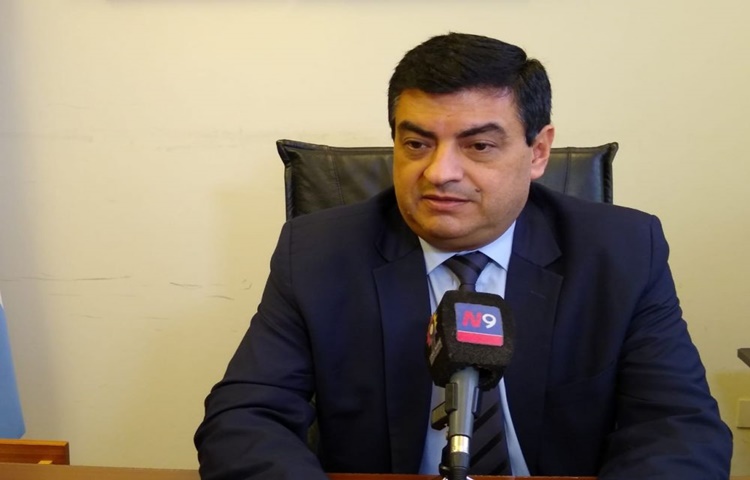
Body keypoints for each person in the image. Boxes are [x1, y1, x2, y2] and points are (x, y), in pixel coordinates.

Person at [195, 32, 732, 479]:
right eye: (416, 144)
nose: (440, 173)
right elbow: (244, 421)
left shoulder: (621, 252)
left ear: (538, 151)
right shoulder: (317, 253)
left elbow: (678, 429)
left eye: (479, 146)